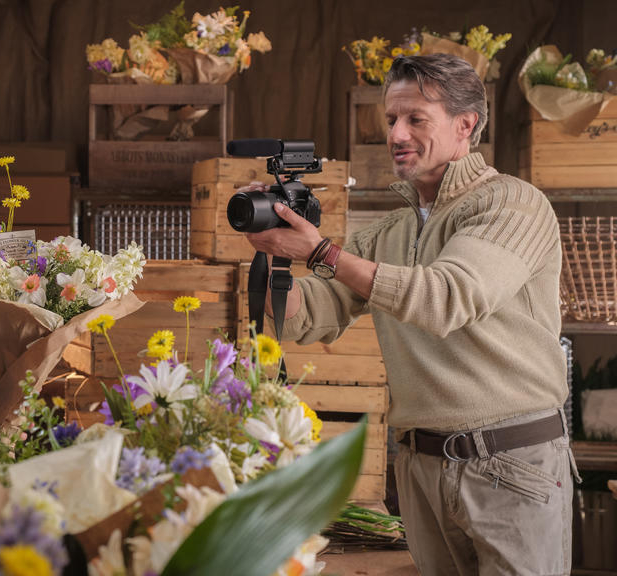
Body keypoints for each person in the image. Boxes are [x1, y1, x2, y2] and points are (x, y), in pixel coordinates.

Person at [244, 54, 578, 574]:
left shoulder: (512, 205)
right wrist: (270, 248)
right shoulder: (389, 231)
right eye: (391, 119)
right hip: (422, 467)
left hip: (512, 465)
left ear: (465, 124)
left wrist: (322, 252)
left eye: (415, 118)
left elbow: (447, 297)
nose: (397, 134)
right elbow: (307, 315)